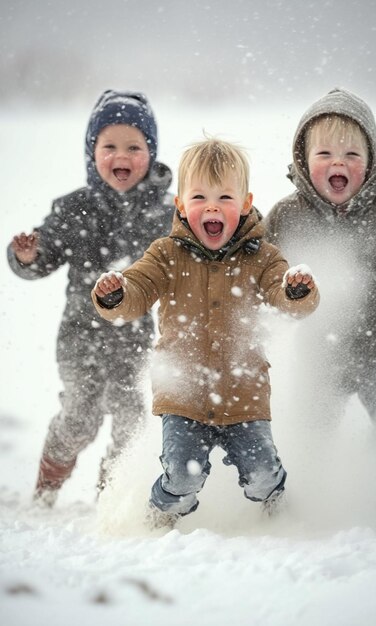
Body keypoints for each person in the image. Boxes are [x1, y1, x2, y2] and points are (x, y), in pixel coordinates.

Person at [91, 137, 320, 529]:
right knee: (182, 478)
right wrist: (116, 295)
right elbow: (138, 290)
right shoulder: (166, 254)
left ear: (245, 205)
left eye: (225, 197)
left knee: (263, 473)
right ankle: (160, 514)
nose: (212, 206)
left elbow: (283, 293)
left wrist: (295, 290)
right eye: (199, 196)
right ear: (181, 205)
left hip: (243, 394)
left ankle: (277, 510)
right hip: (183, 396)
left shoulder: (261, 255)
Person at [7, 89, 175, 506]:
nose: (122, 155)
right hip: (81, 334)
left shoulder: (168, 213)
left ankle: (114, 496)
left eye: (134, 146)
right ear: (92, 153)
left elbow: (187, 261)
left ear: (150, 154)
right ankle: (48, 481)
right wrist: (29, 254)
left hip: (139, 337)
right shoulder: (74, 209)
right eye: (110, 146)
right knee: (80, 417)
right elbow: (45, 254)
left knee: (133, 421)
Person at [264, 88, 376, 516]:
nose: (338, 163)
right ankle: (300, 497)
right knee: (311, 427)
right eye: (325, 153)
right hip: (317, 352)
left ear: (371, 162)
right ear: (302, 160)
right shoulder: (286, 214)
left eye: (352, 153)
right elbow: (261, 263)